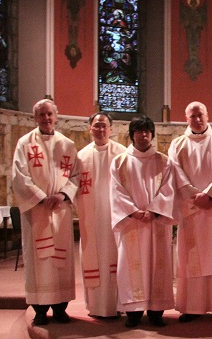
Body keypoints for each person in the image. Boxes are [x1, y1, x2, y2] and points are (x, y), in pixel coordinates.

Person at [169, 101, 212, 324]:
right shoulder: (177, 144)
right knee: (192, 259)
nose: (197, 120)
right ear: (186, 118)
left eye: (201, 115)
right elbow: (175, 172)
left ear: (208, 116)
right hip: (192, 211)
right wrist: (195, 196)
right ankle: (191, 307)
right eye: (193, 116)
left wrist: (210, 194)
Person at [12, 99, 78, 326]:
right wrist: (41, 198)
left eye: (49, 114)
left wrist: (62, 195)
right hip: (37, 212)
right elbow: (19, 176)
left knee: (61, 260)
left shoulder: (67, 144)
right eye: (41, 114)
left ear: (56, 116)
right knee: (39, 261)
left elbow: (76, 176)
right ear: (35, 118)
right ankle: (40, 310)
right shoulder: (25, 143)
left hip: (60, 211)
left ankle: (60, 308)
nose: (46, 118)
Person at [109, 115, 176, 328]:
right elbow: (115, 191)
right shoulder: (120, 162)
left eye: (147, 131)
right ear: (132, 135)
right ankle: (133, 313)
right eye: (139, 131)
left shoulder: (164, 161)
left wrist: (154, 211)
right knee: (131, 268)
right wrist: (133, 212)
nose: (144, 135)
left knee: (158, 266)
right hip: (132, 224)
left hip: (156, 224)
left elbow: (169, 189)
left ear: (152, 135)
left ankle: (156, 312)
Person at [74, 112, 126, 318]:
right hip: (91, 219)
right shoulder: (81, 156)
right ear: (90, 129)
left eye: (104, 126)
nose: (101, 130)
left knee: (116, 258)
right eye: (96, 126)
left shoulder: (122, 154)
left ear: (111, 129)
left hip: (116, 219)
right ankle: (95, 306)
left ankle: (118, 304)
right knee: (94, 258)